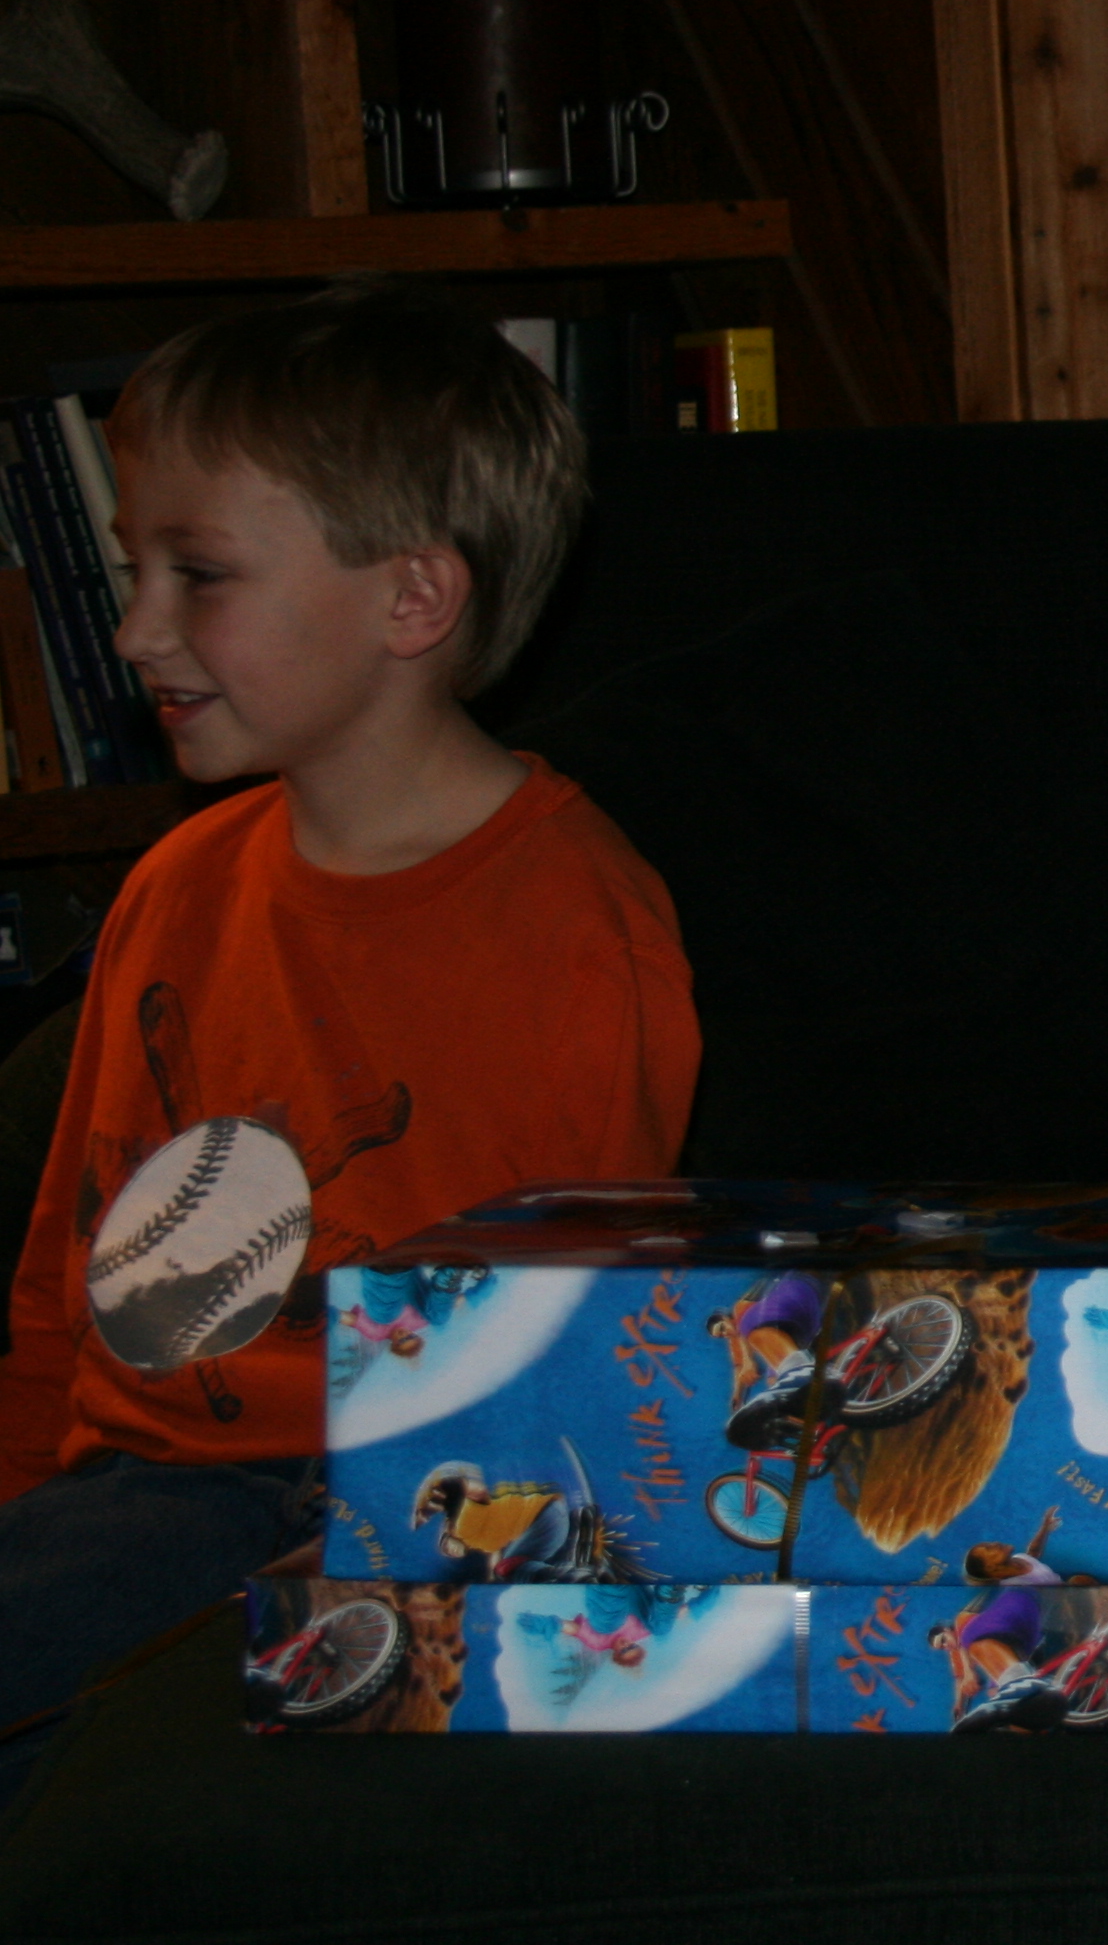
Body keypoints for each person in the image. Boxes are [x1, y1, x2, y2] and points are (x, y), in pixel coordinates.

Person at [0, 280, 699, 1797]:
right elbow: (62, 1278)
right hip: (115, 1496)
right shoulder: (176, 886)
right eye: (132, 570)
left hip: (334, 1510)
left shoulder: (576, 928)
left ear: (412, 601)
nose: (135, 630)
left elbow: (577, 1362)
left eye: (199, 575)